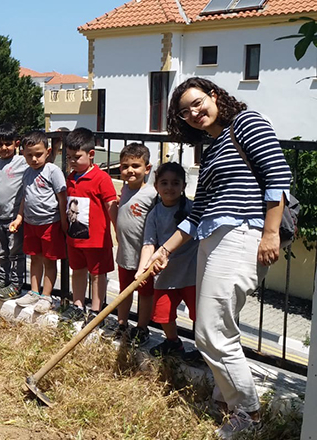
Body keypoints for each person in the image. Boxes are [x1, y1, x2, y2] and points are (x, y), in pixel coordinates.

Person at [144, 77, 291, 438]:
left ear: (214, 96)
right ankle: (224, 400)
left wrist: (270, 233)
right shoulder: (213, 148)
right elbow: (196, 217)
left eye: (197, 103)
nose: (194, 113)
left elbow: (277, 178)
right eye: (184, 112)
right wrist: (163, 250)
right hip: (212, 238)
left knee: (210, 330)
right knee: (219, 328)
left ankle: (248, 415)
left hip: (241, 234)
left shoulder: (247, 122)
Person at [138, 162, 197, 358]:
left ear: (183, 186)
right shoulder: (154, 213)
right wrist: (142, 270)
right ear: (156, 187)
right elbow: (148, 244)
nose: (169, 187)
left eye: (175, 183)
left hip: (192, 273)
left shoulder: (192, 209)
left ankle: (206, 351)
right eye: (164, 183)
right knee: (163, 314)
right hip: (166, 273)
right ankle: (173, 342)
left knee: (200, 316)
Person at [59, 127, 118, 324]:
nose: (72, 161)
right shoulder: (70, 178)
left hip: (96, 239)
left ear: (91, 155)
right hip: (75, 237)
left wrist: (117, 229)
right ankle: (77, 304)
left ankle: (96, 310)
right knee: (77, 271)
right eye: (69, 157)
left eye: (76, 157)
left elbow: (110, 204)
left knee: (97, 274)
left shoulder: (101, 178)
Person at [12, 130, 66, 312]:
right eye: (29, 155)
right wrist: (19, 217)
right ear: (23, 154)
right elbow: (24, 198)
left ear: (48, 152)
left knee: (49, 261)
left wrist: (64, 221)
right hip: (31, 223)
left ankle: (46, 296)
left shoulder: (53, 171)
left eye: (38, 154)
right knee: (34, 259)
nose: (34, 159)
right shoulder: (26, 173)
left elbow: (62, 197)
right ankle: (34, 292)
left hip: (50, 223)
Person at [110, 143, 157, 343]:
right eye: (125, 166)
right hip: (125, 253)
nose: (130, 170)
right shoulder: (124, 190)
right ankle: (122, 323)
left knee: (145, 294)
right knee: (124, 291)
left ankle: (142, 327)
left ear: (147, 168)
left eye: (136, 166)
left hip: (143, 256)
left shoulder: (152, 195)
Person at [0, 124, 26, 299]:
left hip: (13, 217)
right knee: (2, 251)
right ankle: (2, 279)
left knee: (15, 252)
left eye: (8, 144)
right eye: (0, 145)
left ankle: (16, 284)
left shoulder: (22, 162)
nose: (4, 148)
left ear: (16, 144)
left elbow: (43, 160)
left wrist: (55, 145)